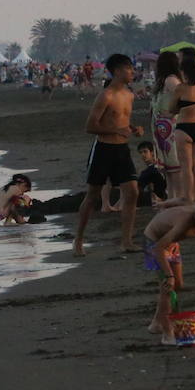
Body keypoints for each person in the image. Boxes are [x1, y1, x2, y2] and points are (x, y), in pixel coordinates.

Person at [74, 54, 143, 257]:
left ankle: (126, 241)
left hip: (122, 150)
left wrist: (133, 128)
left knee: (132, 192)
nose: (133, 72)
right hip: (104, 150)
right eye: (129, 69)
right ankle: (78, 239)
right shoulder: (106, 95)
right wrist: (116, 131)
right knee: (92, 196)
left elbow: (121, 121)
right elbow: (90, 126)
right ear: (118, 71)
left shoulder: (129, 94)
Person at [143, 197, 195, 345]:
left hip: (170, 243)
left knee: (178, 285)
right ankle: (167, 333)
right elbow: (158, 248)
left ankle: (156, 323)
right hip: (154, 244)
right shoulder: (184, 223)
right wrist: (168, 275)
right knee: (167, 288)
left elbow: (182, 200)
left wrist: (164, 204)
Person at [169, 57, 195, 202]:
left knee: (186, 167)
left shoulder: (181, 88)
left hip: (185, 127)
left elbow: (171, 109)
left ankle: (188, 197)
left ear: (184, 72)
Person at [151, 52, 182, 199]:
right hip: (162, 128)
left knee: (174, 165)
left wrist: (172, 113)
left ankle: (177, 197)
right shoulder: (164, 81)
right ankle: (171, 197)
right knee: (169, 168)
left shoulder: (171, 80)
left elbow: (183, 98)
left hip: (169, 128)